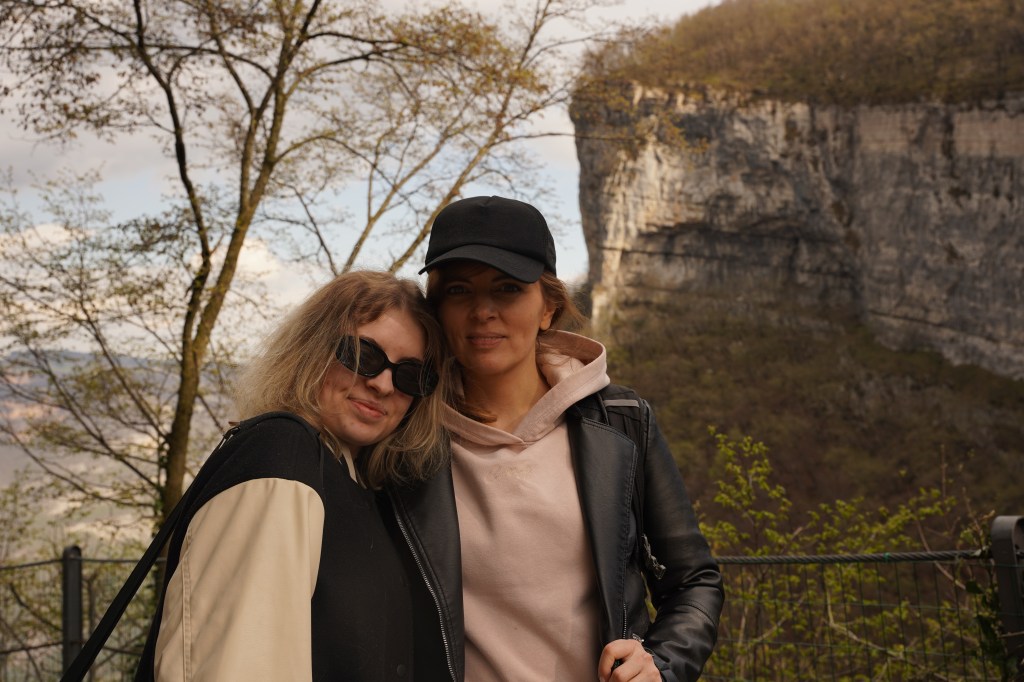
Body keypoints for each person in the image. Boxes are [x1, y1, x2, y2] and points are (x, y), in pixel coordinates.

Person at [387, 196, 724, 682]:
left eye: (507, 288)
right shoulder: (401, 437)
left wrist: (662, 664)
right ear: (436, 310)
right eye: (459, 290)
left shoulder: (621, 422)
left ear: (548, 307)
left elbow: (694, 580)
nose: (483, 311)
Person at [136, 270, 450, 681]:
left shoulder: (351, 483)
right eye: (364, 355)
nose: (383, 384)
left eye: (409, 375)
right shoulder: (283, 458)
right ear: (314, 347)